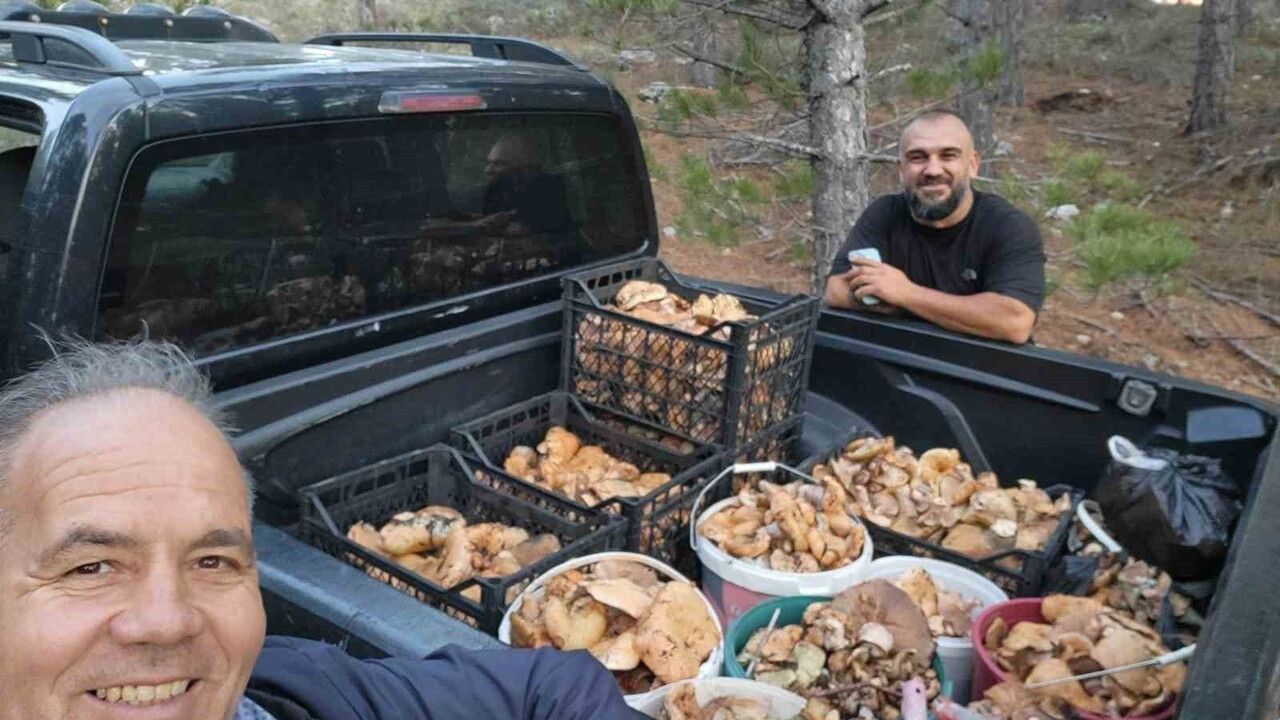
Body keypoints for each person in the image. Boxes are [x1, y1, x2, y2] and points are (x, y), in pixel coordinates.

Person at [0, 339, 638, 720]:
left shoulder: (306, 693)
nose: (167, 621)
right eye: (91, 567)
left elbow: (554, 689)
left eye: (212, 562)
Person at [823, 110, 1045, 344]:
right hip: (908, 363)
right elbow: (836, 289)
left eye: (948, 156)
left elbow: (1014, 321)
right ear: (901, 170)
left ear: (973, 165)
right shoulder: (884, 214)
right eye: (918, 157)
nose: (933, 170)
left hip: (985, 371)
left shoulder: (1008, 226)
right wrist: (885, 299)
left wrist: (906, 294)